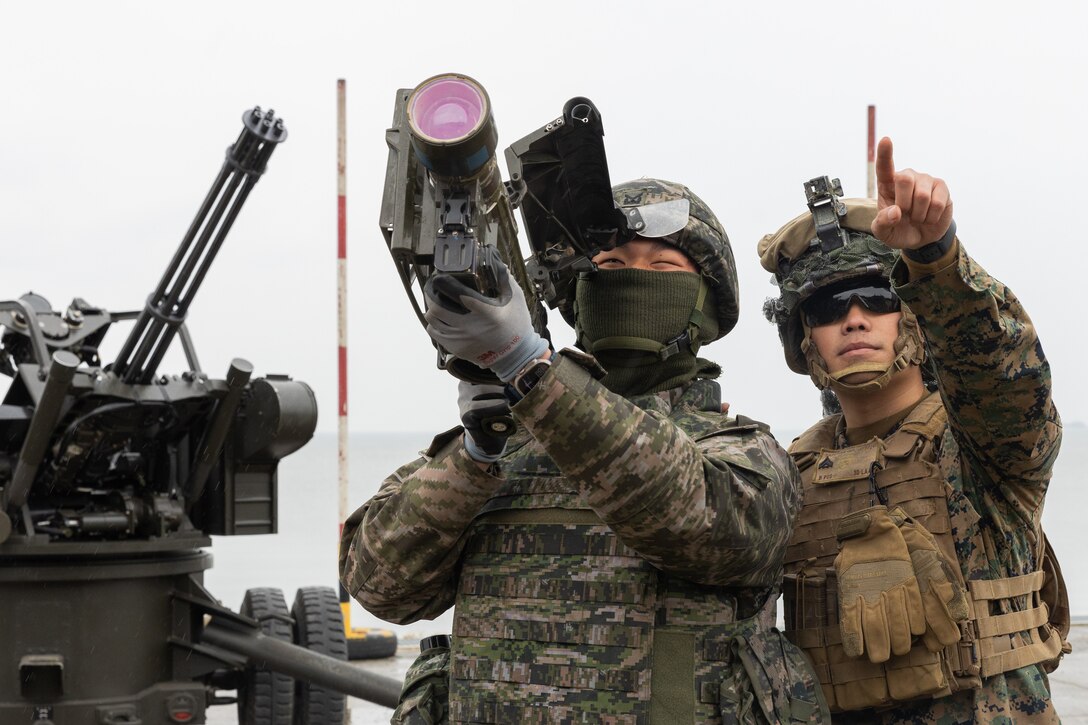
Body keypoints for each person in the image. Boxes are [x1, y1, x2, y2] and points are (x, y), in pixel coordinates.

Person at [340, 179, 828, 724]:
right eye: (611, 264)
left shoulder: (744, 453)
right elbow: (380, 586)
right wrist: (477, 451)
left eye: (663, 268)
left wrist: (531, 371)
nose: (631, 279)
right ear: (577, 293)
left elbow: (705, 528)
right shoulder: (501, 448)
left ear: (707, 307)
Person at [758, 138, 1070, 723]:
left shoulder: (981, 446)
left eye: (876, 297)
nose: (853, 318)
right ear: (804, 338)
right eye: (826, 308)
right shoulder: (783, 474)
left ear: (913, 313)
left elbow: (1003, 374)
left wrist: (937, 260)